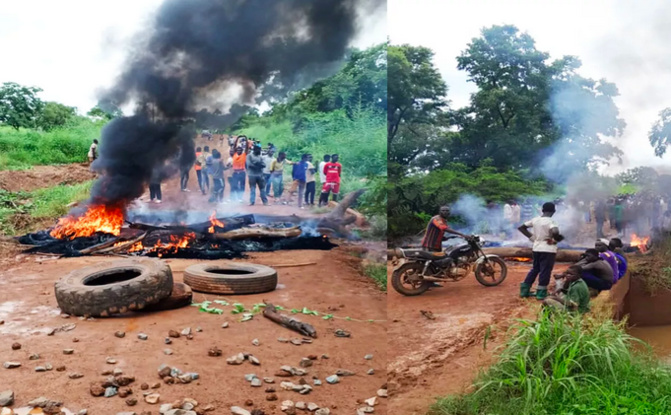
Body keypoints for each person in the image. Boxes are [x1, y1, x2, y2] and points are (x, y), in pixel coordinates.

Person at [517, 202, 564, 300]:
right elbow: (555, 231)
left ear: (542, 210)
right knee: (545, 271)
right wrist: (555, 240)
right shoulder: (552, 221)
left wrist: (532, 238)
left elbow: (521, 228)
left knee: (535, 268)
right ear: (554, 211)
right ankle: (541, 293)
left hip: (536, 247)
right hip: (548, 249)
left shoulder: (535, 220)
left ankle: (524, 291)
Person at [421, 205, 473, 287]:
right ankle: (427, 282)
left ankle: (431, 282)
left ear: (449, 213)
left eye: (447, 211)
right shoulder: (436, 219)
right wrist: (462, 234)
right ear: (439, 212)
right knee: (431, 263)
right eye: (443, 210)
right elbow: (443, 228)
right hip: (429, 244)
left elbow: (439, 233)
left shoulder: (444, 220)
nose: (445, 212)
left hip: (436, 245)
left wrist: (448, 238)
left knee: (436, 264)